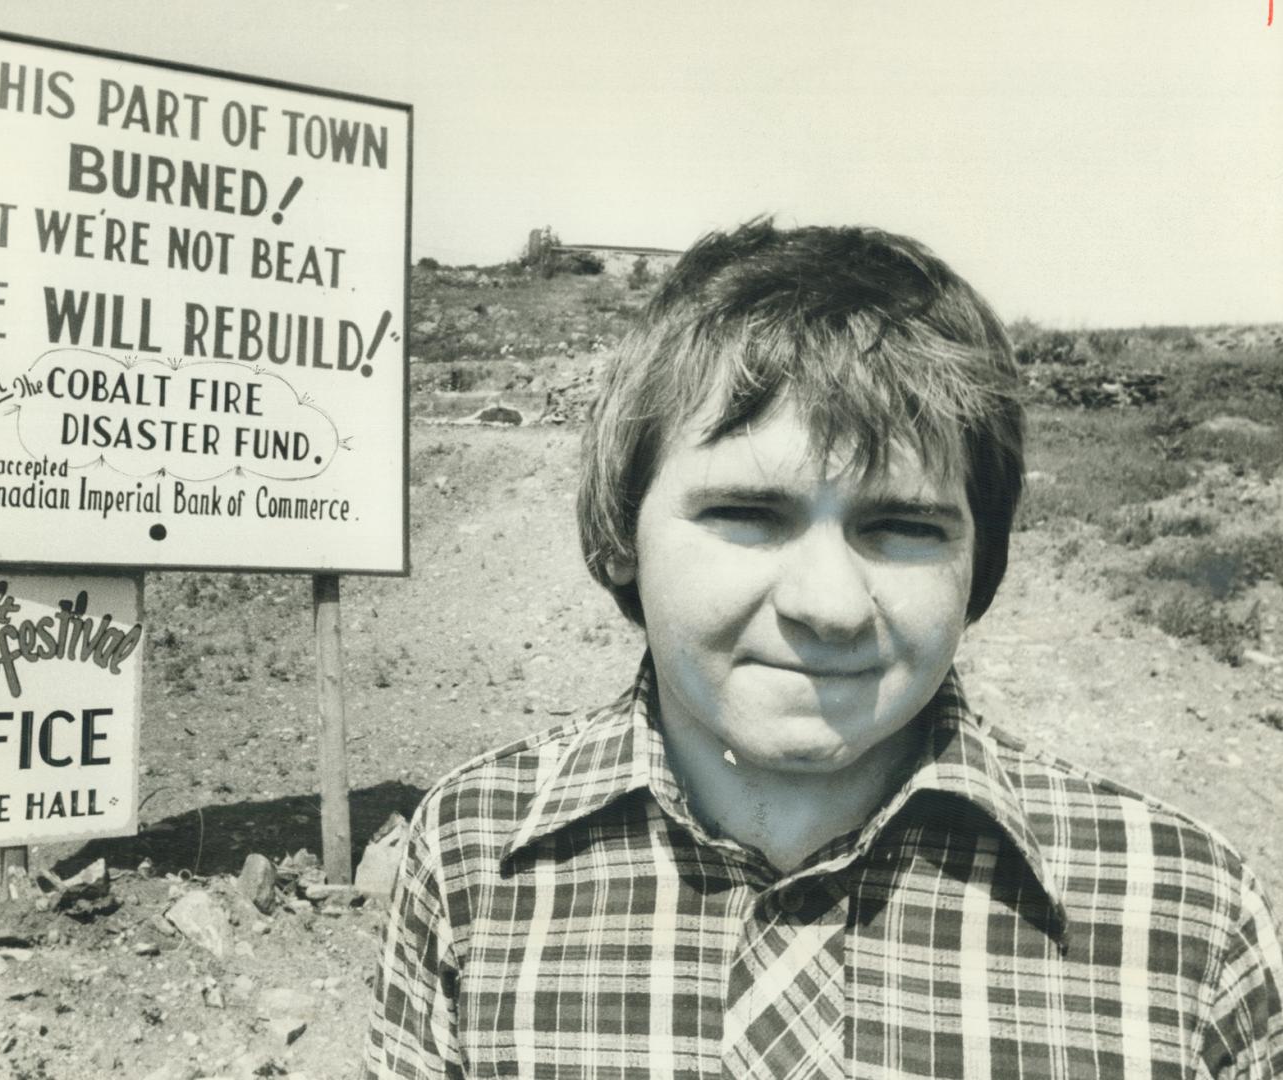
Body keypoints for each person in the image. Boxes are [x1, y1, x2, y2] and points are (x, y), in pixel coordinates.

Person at [366, 218, 1283, 1078]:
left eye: (903, 527)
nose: (830, 605)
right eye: (749, 514)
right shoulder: (474, 857)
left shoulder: (1186, 920)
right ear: (619, 531)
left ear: (983, 563)